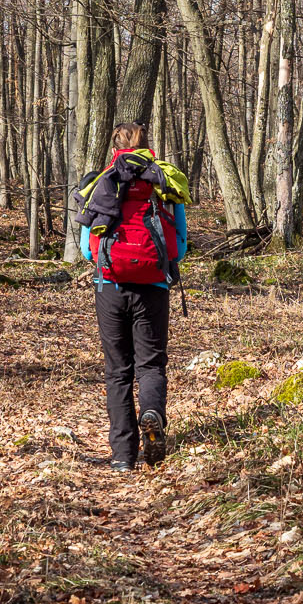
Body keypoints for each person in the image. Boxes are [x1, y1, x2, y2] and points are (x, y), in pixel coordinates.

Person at [76, 122, 188, 471]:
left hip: (110, 288)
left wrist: (111, 263)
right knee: (151, 365)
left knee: (118, 371)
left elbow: (86, 249)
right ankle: (152, 412)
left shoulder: (102, 183)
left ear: (115, 147)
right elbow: (179, 245)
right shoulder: (163, 184)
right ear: (147, 146)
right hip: (153, 286)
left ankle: (123, 455)